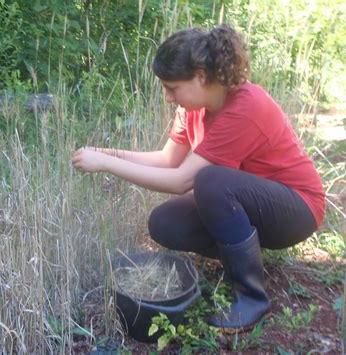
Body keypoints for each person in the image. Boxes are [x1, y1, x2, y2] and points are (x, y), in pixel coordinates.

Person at [71, 24, 325, 332]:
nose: (167, 97)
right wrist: (107, 154)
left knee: (210, 182)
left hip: (297, 209)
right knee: (164, 222)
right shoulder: (193, 107)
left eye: (172, 88)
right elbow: (167, 159)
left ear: (201, 77)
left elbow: (181, 181)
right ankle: (243, 260)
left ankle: (251, 297)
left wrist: (107, 165)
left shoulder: (246, 106)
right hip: (256, 204)